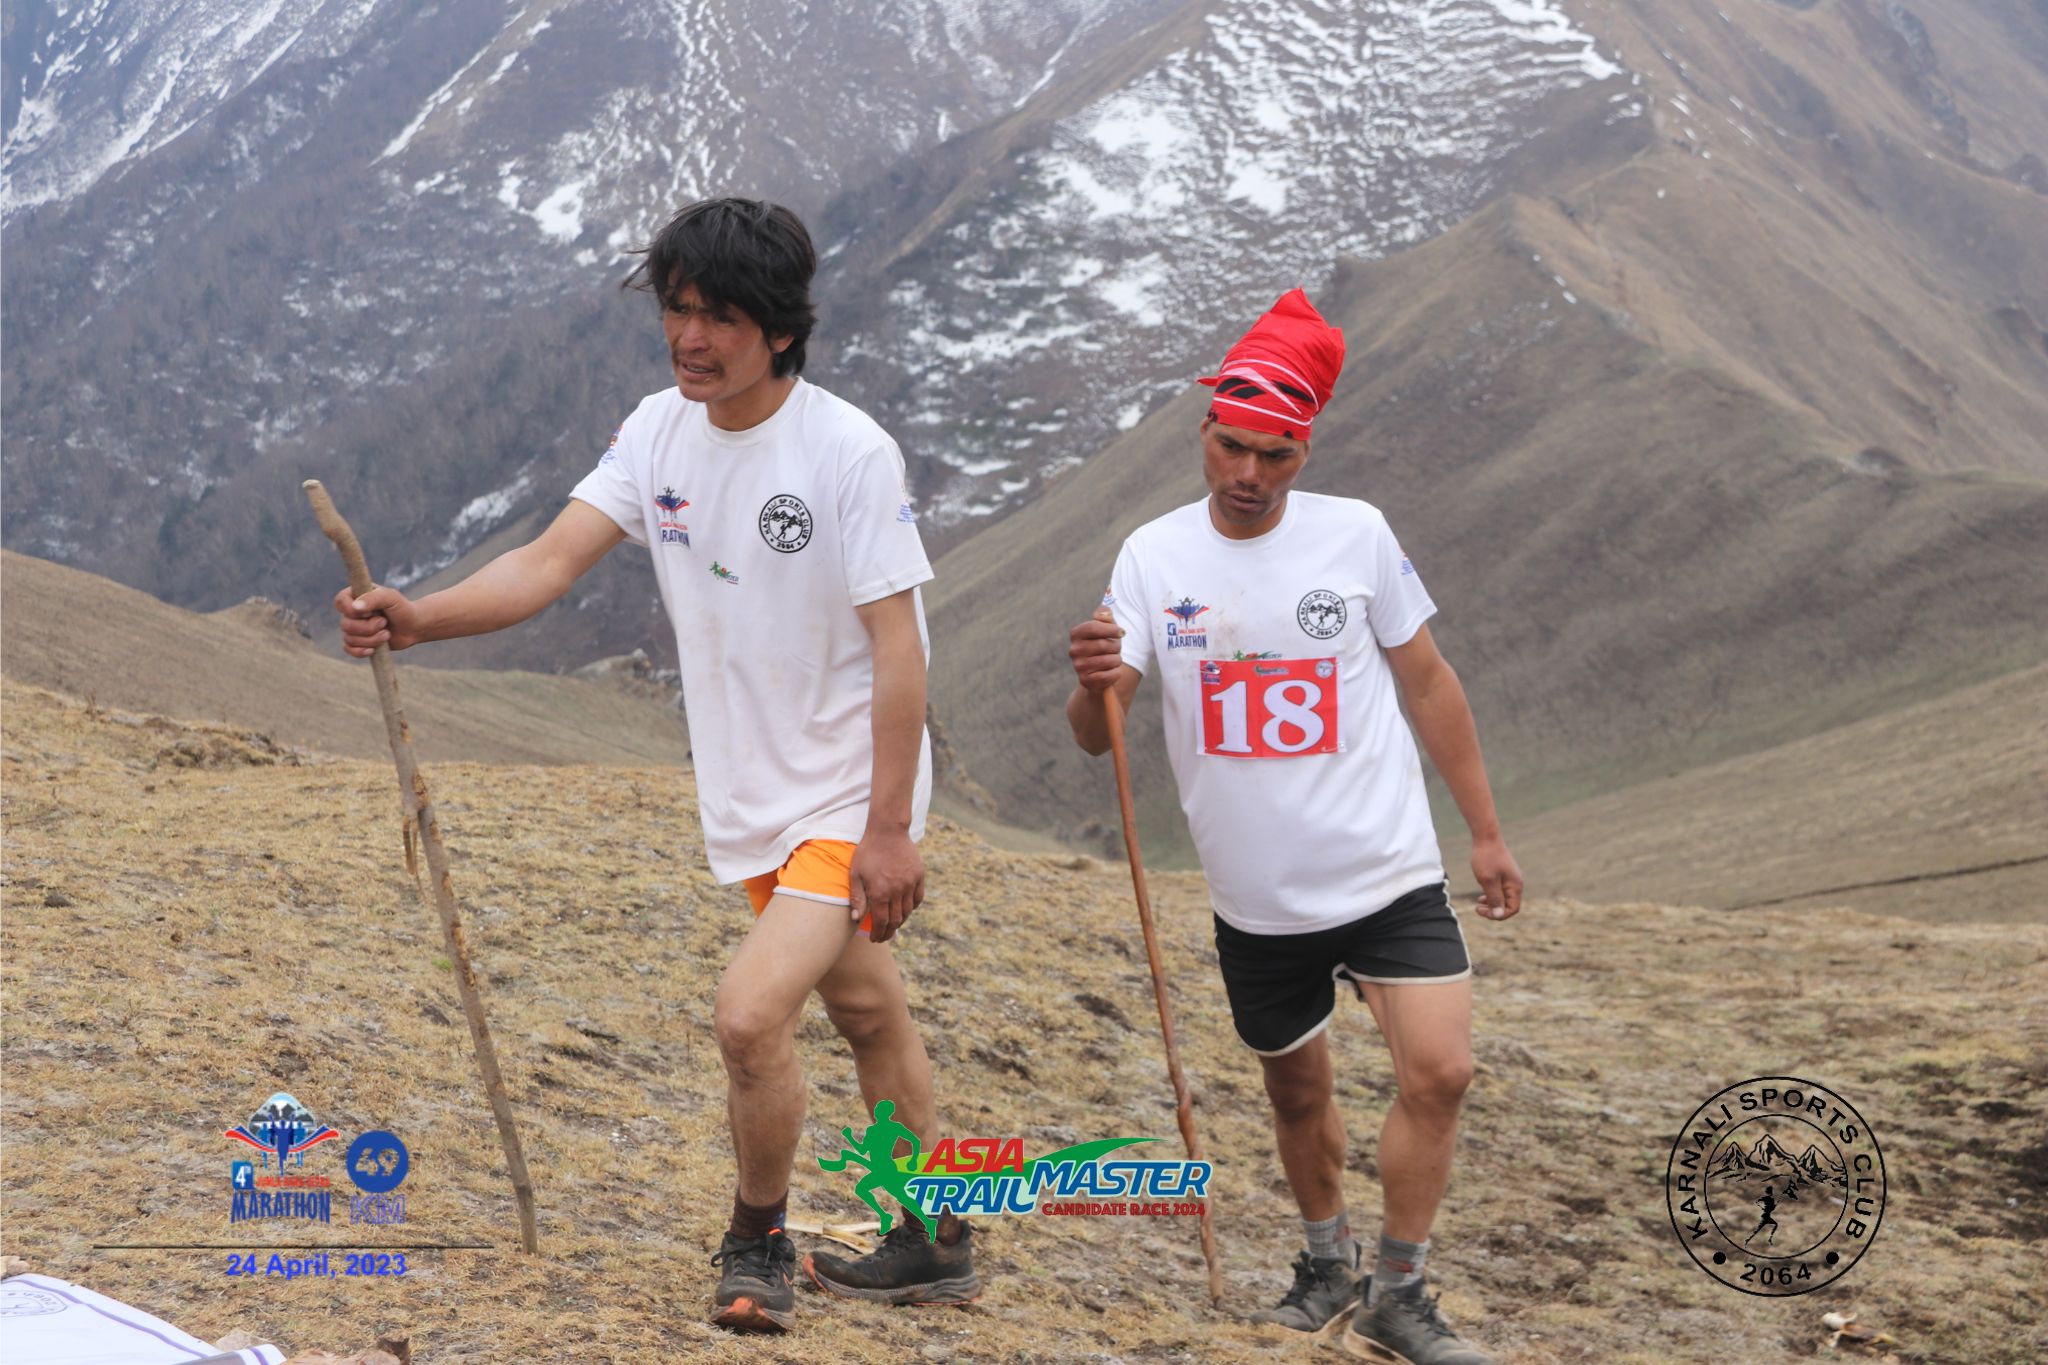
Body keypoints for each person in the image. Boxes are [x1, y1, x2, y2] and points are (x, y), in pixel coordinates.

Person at [332, 197, 975, 1333]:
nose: (689, 337)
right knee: (867, 1009)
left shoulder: (846, 451)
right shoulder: (657, 432)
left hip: (844, 793)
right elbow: (547, 562)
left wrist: (886, 830)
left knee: (749, 1017)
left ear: (781, 330)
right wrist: (421, 618)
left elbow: (899, 649)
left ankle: (757, 1241)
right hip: (752, 792)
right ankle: (934, 1234)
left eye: (719, 317)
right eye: (677, 310)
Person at [1063, 290, 1522, 1364]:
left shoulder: (1356, 535)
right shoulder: (1151, 557)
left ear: (1303, 450)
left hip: (1387, 871)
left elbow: (1428, 681)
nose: (1248, 474)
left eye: (1275, 455)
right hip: (1258, 899)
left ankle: (1398, 1294)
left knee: (1441, 1072)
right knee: (1297, 1087)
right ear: (1204, 430)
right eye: (1231, 446)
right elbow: (1096, 734)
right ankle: (1325, 1265)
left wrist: (1485, 832)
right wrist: (1090, 682)